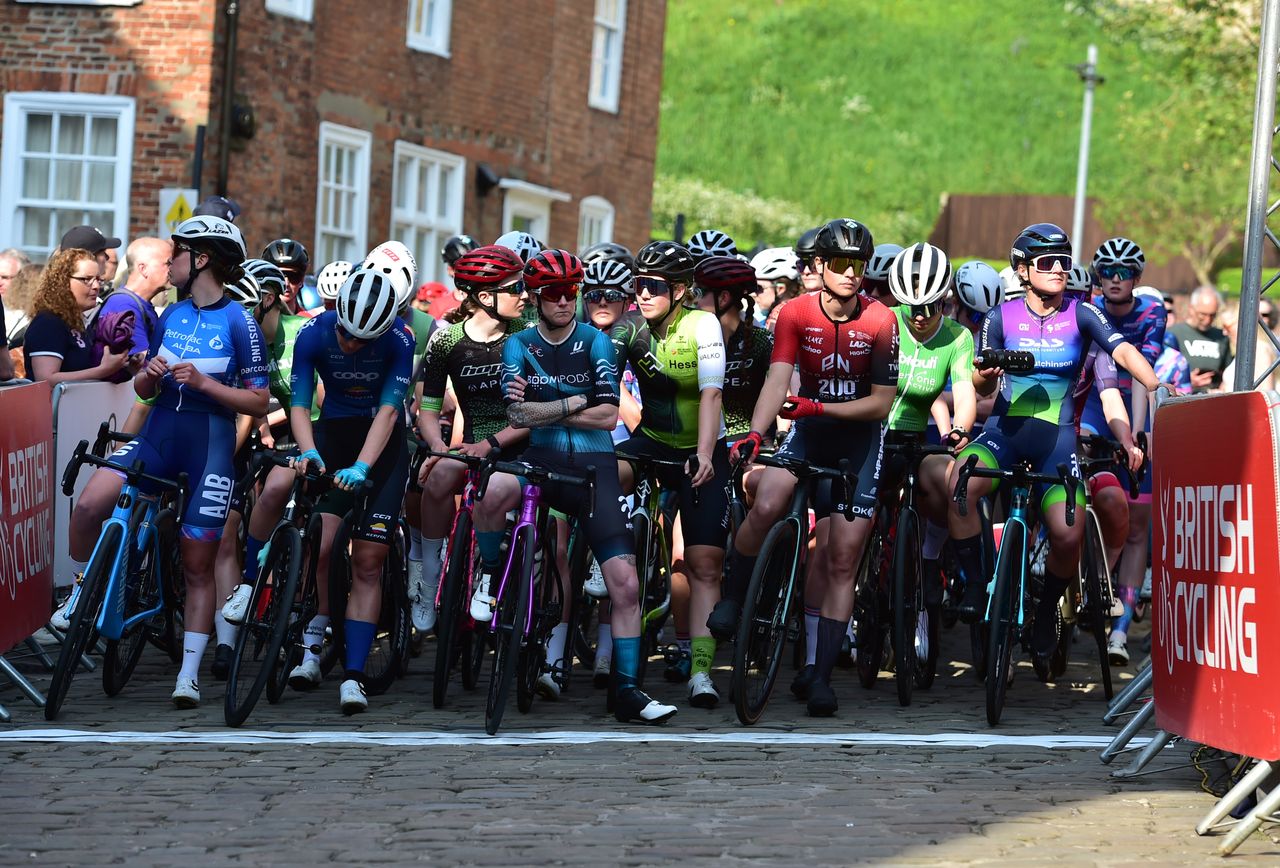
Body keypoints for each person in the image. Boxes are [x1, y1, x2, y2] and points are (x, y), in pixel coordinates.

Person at [59, 215, 269, 708]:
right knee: (91, 504)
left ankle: (189, 674)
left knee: (198, 565)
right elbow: (142, 388)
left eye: (177, 253)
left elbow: (259, 401)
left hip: (210, 446)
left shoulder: (240, 321)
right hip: (158, 436)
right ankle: (80, 591)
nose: (169, 262)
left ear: (201, 260)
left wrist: (205, 385)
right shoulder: (170, 315)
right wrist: (150, 377)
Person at [948, 223, 1164, 678]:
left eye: (1064, 262)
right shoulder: (1001, 316)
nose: (1059, 270)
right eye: (1047, 263)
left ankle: (1047, 609)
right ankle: (974, 582)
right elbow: (979, 380)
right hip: (1004, 434)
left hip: (1058, 440)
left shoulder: (1082, 314)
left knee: (1069, 533)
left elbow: (1123, 352)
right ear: (1023, 269)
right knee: (959, 481)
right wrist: (990, 368)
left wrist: (1157, 387)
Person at [724, 218, 898, 717]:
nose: (850, 274)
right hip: (808, 431)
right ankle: (735, 598)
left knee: (842, 558)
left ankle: (820, 674)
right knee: (771, 495)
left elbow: (881, 405)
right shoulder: (794, 313)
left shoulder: (880, 320)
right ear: (818, 266)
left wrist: (820, 408)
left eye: (858, 266)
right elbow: (778, 382)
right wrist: (757, 433)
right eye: (840, 264)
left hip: (858, 439)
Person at [498, 248, 678, 724]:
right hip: (541, 459)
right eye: (553, 294)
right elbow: (515, 415)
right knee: (494, 495)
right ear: (537, 298)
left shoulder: (597, 342)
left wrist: (550, 405)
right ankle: (493, 581)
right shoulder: (518, 345)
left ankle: (625, 689)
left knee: (625, 583)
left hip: (595, 467)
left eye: (569, 293)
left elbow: (608, 414)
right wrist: (574, 401)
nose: (563, 301)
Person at [609, 240, 730, 709]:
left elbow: (711, 395)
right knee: (608, 471)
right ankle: (603, 553)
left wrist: (703, 455)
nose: (641, 294)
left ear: (679, 290)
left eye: (653, 286)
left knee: (703, 564)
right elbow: (606, 385)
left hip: (701, 447)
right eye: (638, 284)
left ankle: (701, 672)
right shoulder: (631, 330)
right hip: (652, 437)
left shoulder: (703, 324)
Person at [288, 270, 415, 714]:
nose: (349, 345)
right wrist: (309, 452)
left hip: (383, 444)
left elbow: (387, 411)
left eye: (363, 341)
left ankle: (354, 676)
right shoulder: (312, 333)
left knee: (367, 559)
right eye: (345, 333)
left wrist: (364, 465)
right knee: (320, 543)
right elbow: (300, 403)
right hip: (334, 432)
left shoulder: (400, 339)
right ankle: (315, 636)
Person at [414, 245, 530, 633]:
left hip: (521, 443)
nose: (526, 296)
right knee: (439, 476)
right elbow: (429, 409)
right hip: (472, 445)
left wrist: (491, 443)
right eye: (515, 289)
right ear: (484, 297)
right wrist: (437, 447)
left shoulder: (528, 336)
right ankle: (430, 574)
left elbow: (540, 412)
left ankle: (491, 575)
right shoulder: (446, 342)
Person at [22, 248, 127, 384]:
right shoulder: (48, 322)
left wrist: (127, 367)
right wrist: (103, 370)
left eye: (98, 279)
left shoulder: (75, 320)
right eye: (86, 279)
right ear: (62, 281)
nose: (96, 286)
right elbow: (45, 380)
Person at [95, 237, 172, 357]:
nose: (172, 268)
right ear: (143, 268)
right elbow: (142, 362)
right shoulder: (123, 305)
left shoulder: (138, 304)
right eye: (168, 263)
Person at [1167, 286, 1232, 393]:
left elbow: (1227, 371)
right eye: (1203, 315)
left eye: (1212, 315)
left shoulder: (1221, 336)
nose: (1207, 320)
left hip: (1214, 398)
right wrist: (1186, 381)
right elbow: (1162, 374)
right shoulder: (1174, 334)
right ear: (1191, 309)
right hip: (1183, 399)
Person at [261, 238, 311, 316]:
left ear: (302, 279)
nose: (286, 283)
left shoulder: (309, 321)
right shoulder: (253, 319)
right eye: (279, 276)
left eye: (293, 276)